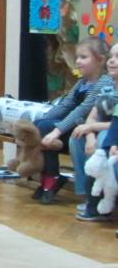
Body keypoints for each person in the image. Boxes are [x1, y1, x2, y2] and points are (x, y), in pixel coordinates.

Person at [18, 37, 109, 204]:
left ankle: (51, 178)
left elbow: (82, 110)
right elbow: (65, 105)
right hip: (74, 127)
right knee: (40, 125)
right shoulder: (82, 82)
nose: (78, 61)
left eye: (83, 57)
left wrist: (56, 131)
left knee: (46, 127)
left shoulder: (103, 82)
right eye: (77, 57)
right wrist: (39, 122)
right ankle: (49, 177)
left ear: (100, 60)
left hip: (88, 129)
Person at [73, 41, 118, 219]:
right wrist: (90, 135)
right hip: (104, 131)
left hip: (110, 134)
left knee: (103, 138)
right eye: (111, 56)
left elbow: (114, 124)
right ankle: (86, 193)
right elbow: (91, 116)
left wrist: (92, 128)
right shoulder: (106, 87)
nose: (112, 61)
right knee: (77, 137)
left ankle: (98, 201)